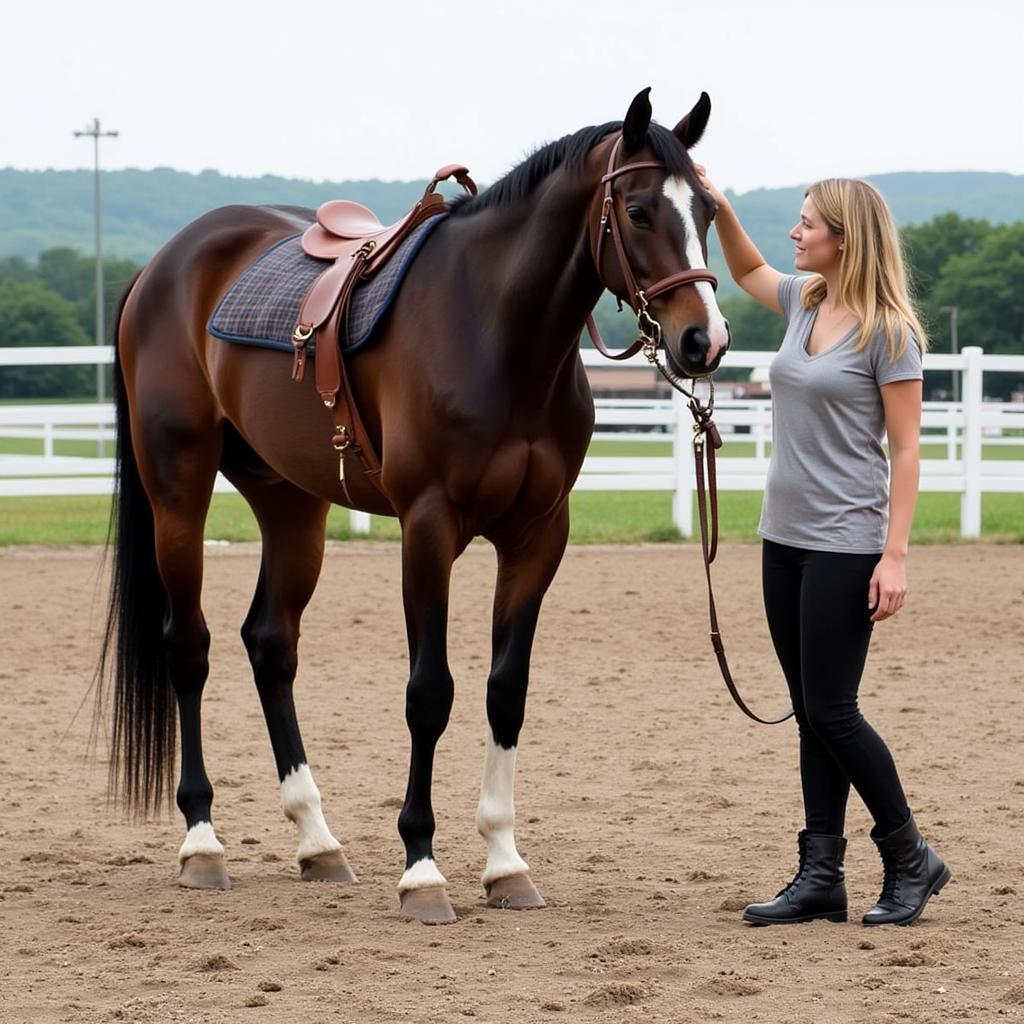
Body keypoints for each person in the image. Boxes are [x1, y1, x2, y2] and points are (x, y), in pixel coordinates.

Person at [694, 169, 950, 927]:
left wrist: (894, 555)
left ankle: (911, 858)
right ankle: (821, 875)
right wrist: (721, 204)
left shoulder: (889, 332)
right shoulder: (805, 301)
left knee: (834, 711)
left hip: (848, 543)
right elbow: (742, 269)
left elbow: (906, 451)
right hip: (785, 539)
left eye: (807, 224)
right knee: (809, 711)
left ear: (845, 239)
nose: (796, 234)